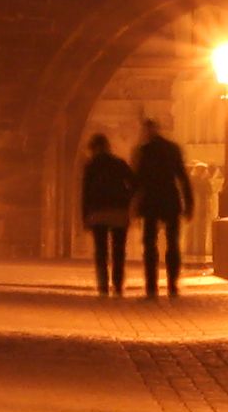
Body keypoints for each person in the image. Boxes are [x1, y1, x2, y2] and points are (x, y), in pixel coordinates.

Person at [130, 117, 193, 299]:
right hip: (170, 200)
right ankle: (172, 284)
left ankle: (151, 286)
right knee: (173, 243)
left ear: (147, 131)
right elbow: (182, 177)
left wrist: (133, 204)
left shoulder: (144, 151)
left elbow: (137, 180)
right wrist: (188, 203)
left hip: (151, 201)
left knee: (150, 244)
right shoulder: (172, 149)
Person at [78, 132, 135, 297]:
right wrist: (127, 201)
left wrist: (85, 216)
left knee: (101, 251)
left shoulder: (91, 166)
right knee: (118, 250)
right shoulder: (119, 163)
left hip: (98, 212)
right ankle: (117, 285)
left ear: (95, 148)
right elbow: (133, 183)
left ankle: (103, 285)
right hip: (119, 211)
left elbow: (85, 193)